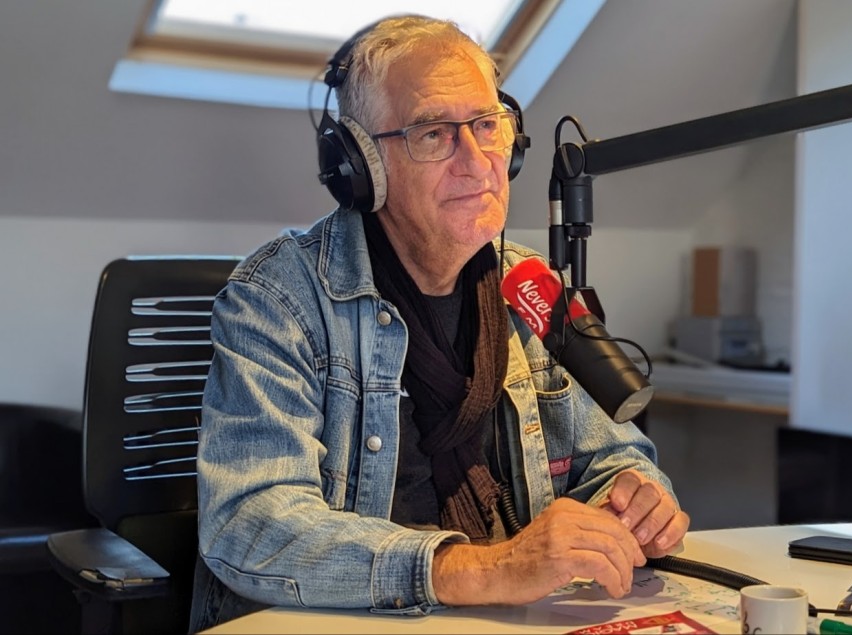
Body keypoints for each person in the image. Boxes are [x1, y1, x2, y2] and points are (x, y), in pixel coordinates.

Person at [190, 14, 689, 632]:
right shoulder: (276, 299)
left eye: (487, 125)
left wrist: (637, 499)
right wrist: (486, 569)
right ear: (361, 164)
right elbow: (250, 523)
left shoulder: (531, 286)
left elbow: (613, 457)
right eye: (433, 133)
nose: (477, 162)